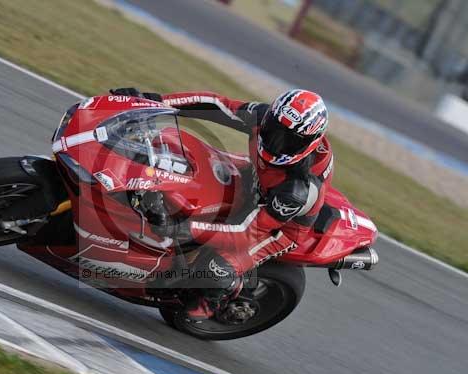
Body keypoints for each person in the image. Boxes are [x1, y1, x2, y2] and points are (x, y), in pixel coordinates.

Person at [110, 88, 333, 319]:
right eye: (273, 130)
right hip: (256, 175)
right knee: (178, 155)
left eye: (288, 141)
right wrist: (153, 101)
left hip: (275, 226)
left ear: (308, 143)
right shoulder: (263, 116)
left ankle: (215, 299)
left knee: (217, 266)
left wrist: (185, 229)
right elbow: (216, 105)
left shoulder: (297, 190)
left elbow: (247, 233)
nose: (276, 142)